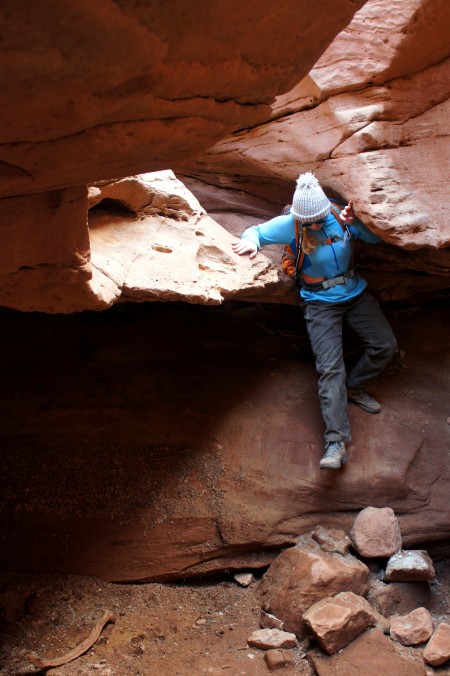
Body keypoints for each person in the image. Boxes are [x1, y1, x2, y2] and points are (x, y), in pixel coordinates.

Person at [232, 172, 397, 469]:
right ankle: (335, 443)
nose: (318, 225)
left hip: (355, 293)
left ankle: (355, 385)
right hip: (320, 303)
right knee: (330, 369)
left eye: (321, 220)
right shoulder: (292, 224)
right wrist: (252, 243)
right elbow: (255, 231)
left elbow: (373, 238)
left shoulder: (337, 211)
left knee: (385, 345)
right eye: (311, 223)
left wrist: (353, 224)